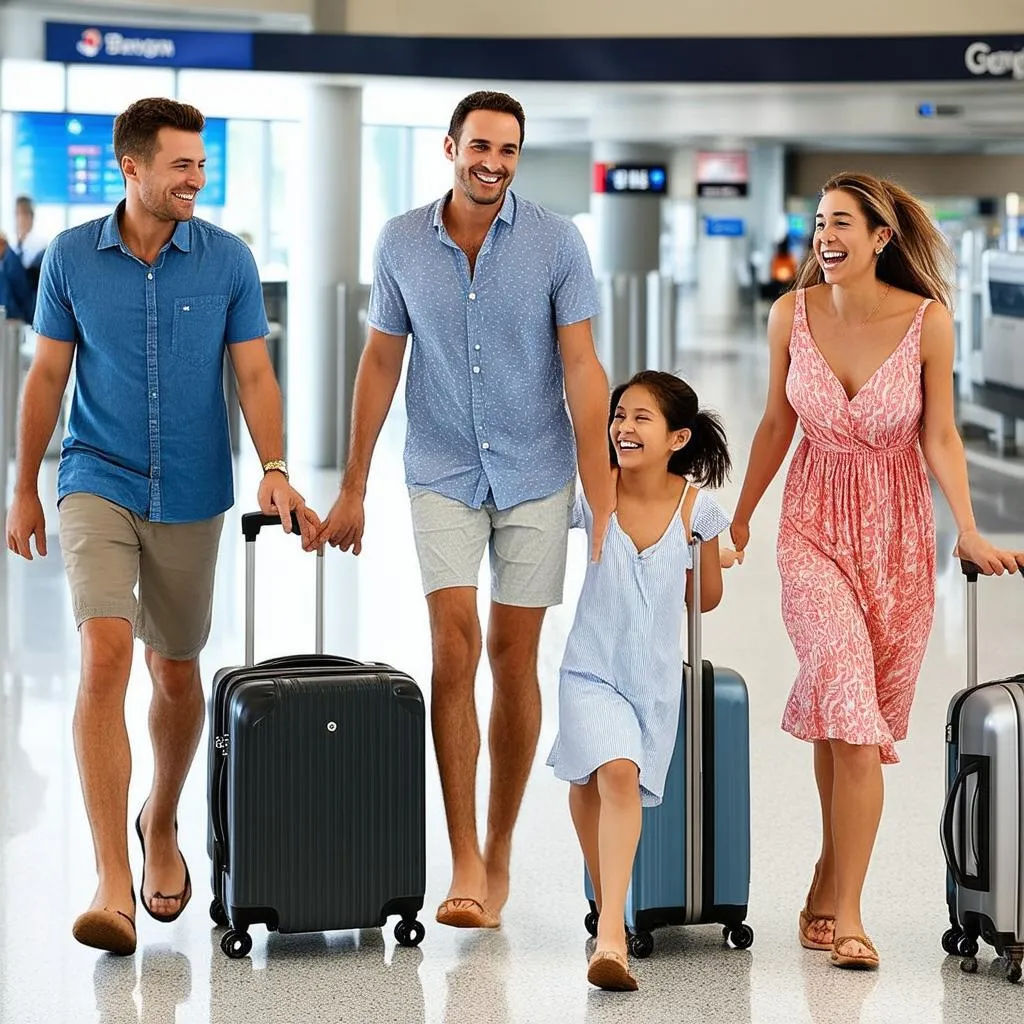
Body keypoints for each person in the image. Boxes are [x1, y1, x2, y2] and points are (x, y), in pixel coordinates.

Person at [4, 97, 320, 957]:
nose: (196, 179)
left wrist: (278, 467)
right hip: (95, 477)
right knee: (106, 653)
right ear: (131, 167)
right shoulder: (71, 258)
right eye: (181, 164)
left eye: (201, 164)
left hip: (191, 490)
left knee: (176, 672)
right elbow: (45, 380)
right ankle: (112, 878)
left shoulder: (227, 261)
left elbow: (255, 375)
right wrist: (26, 485)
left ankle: (162, 821)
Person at [314, 90, 615, 929]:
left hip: (537, 471)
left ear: (520, 155)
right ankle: (465, 862)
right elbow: (380, 362)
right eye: (480, 146)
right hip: (440, 466)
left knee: (515, 658)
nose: (493, 162)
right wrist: (352, 483)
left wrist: (605, 495)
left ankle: (503, 842)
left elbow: (584, 369)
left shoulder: (558, 242)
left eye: (509, 150)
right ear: (450, 145)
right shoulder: (403, 241)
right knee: (454, 645)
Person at [729, 172, 1024, 971]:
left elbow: (941, 436)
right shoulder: (790, 313)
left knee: (847, 716)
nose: (825, 236)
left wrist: (967, 527)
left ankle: (828, 872)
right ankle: (853, 915)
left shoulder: (928, 322)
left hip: (896, 537)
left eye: (841, 224)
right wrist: (744, 514)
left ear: (882, 237)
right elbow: (775, 422)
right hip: (812, 527)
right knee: (851, 711)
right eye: (818, 222)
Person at [547, 370, 736, 991]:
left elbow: (704, 598)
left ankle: (610, 919)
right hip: (590, 669)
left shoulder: (697, 509)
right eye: (619, 416)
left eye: (640, 419)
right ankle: (611, 934)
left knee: (607, 779)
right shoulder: (593, 494)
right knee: (603, 777)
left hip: (651, 685)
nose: (623, 428)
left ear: (678, 438)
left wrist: (709, 554)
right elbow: (540, 531)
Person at [14, 195, 48, 300]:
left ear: (31, 217)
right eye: (17, 214)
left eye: (25, 214)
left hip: (30, 299)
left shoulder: (40, 245)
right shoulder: (13, 245)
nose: (21, 219)